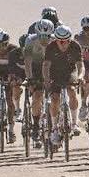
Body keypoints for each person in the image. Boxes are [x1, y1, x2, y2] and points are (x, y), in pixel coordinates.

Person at [42, 24, 83, 143]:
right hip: (55, 73)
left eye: (66, 41)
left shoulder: (75, 46)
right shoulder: (50, 47)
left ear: (70, 40)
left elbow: (80, 65)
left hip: (70, 71)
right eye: (60, 41)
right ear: (56, 40)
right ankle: (54, 127)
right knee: (55, 99)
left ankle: (74, 123)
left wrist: (80, 76)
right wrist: (46, 79)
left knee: (72, 90)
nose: (63, 44)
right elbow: (46, 65)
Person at [23, 18, 55, 146]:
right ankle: (36, 125)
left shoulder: (55, 40)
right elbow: (27, 62)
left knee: (55, 96)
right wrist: (30, 78)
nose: (44, 39)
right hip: (36, 68)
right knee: (37, 97)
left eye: (47, 36)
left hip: (52, 68)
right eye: (41, 36)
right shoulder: (30, 40)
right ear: (37, 33)